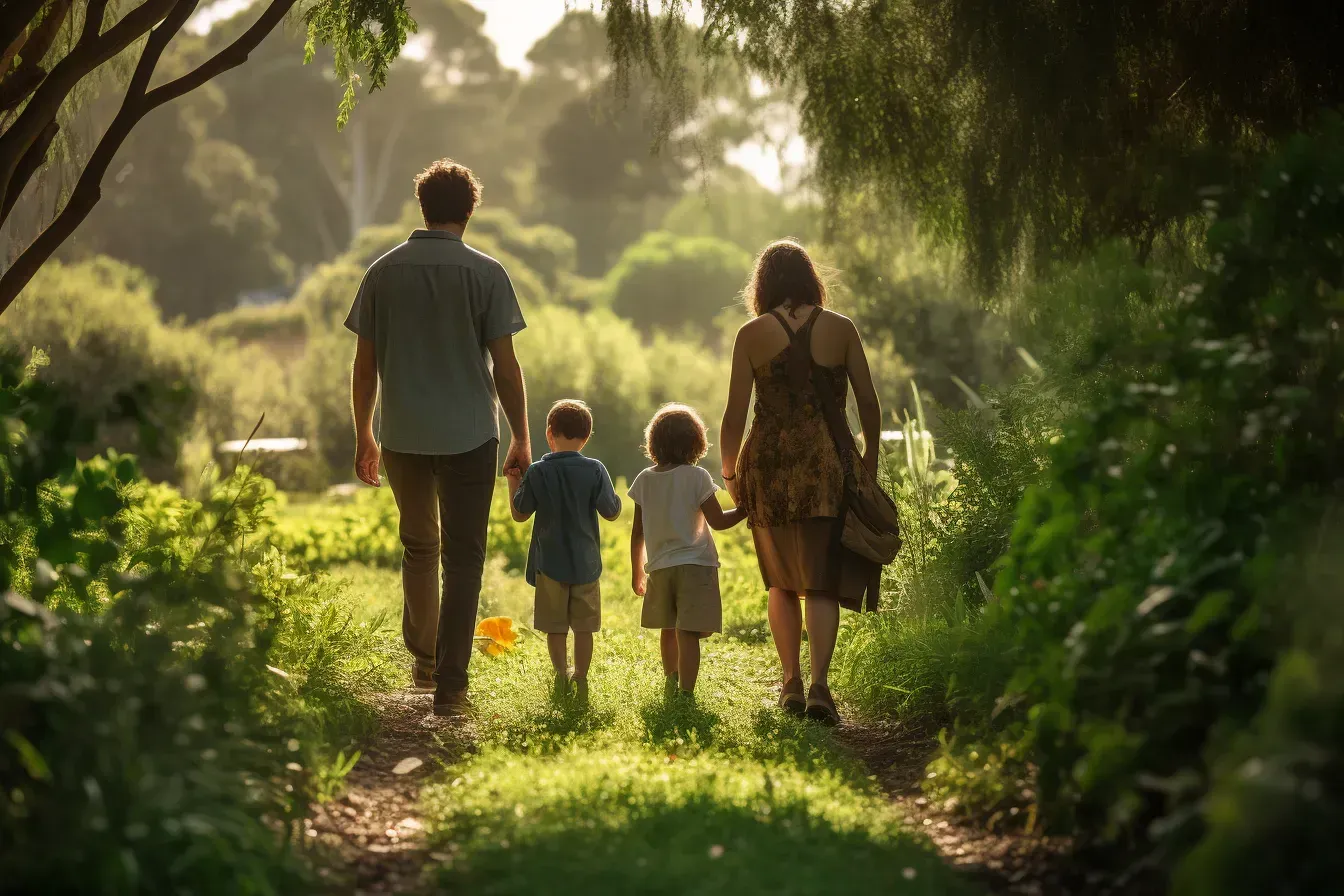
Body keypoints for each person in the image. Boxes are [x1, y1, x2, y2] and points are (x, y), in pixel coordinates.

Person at [346, 159, 530, 718]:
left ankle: (424, 662)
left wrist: (364, 434)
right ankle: (452, 685)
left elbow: (364, 364)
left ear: (422, 207)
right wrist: (522, 435)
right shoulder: (487, 272)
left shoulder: (383, 271)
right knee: (465, 557)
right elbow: (506, 365)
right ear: (469, 210)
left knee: (419, 547)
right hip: (472, 434)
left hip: (402, 433)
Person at [719, 240, 883, 725]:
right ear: (812, 279)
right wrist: (868, 463)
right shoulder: (841, 329)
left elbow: (734, 414)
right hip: (826, 466)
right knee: (822, 583)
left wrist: (730, 472)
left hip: (768, 466)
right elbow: (868, 404)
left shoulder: (750, 334)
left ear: (763, 284)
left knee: (782, 583)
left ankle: (789, 683)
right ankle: (819, 688)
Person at [505, 400, 622, 703]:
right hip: (586, 565)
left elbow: (520, 513)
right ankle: (580, 678)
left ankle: (560, 675)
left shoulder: (538, 472)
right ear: (587, 437)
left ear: (549, 433)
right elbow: (611, 512)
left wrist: (513, 480)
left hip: (550, 564)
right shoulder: (596, 469)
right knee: (584, 628)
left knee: (555, 627)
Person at [629, 404, 746, 698]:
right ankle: (686, 692)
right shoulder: (697, 478)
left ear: (654, 442)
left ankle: (672, 680)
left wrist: (636, 573)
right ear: (696, 443)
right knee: (689, 631)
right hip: (695, 565)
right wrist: (746, 510)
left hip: (658, 567)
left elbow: (637, 533)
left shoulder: (643, 479)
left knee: (668, 629)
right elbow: (718, 522)